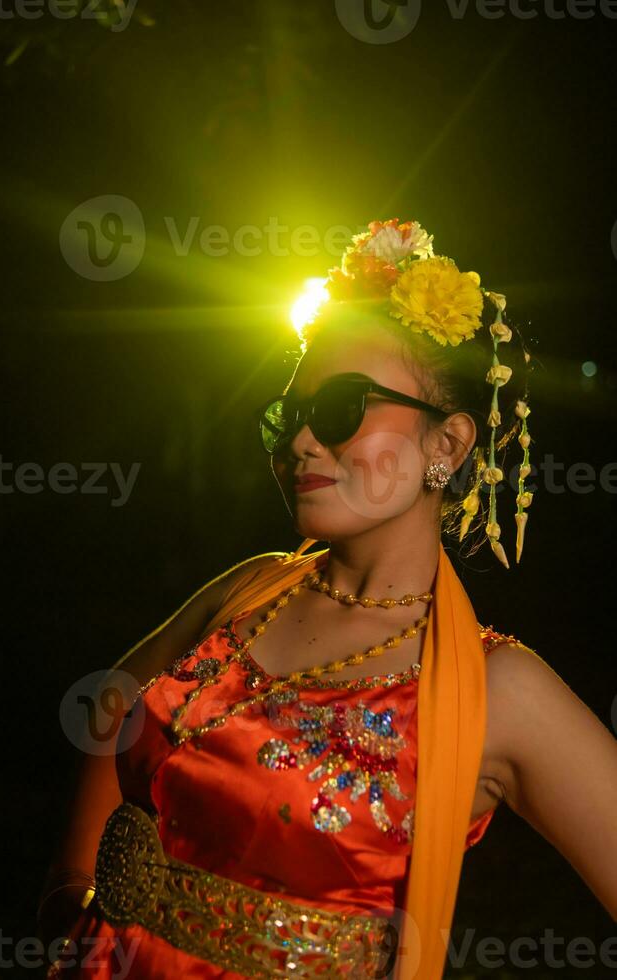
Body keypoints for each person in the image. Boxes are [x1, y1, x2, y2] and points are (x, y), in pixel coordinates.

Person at [37, 219, 617, 979]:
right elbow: (113, 704)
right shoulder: (255, 588)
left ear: (444, 447)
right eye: (288, 415)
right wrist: (68, 907)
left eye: (343, 408)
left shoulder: (500, 692)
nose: (302, 442)